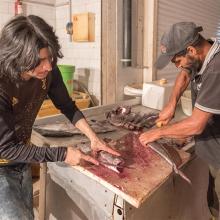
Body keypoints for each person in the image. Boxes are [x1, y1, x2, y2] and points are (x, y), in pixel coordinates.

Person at [0, 15, 119, 220]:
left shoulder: (48, 71)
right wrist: (62, 154)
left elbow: (66, 106)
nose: (47, 67)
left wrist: (93, 137)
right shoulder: (2, 83)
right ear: (17, 57)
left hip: (23, 158)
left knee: (27, 215)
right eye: (40, 61)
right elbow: (4, 148)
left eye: (50, 58)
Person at [139, 22, 220, 219]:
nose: (178, 67)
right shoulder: (200, 58)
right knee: (213, 203)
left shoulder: (216, 70)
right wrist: (171, 103)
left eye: (176, 61)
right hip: (212, 151)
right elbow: (185, 74)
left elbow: (196, 124)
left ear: (191, 50)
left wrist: (156, 133)